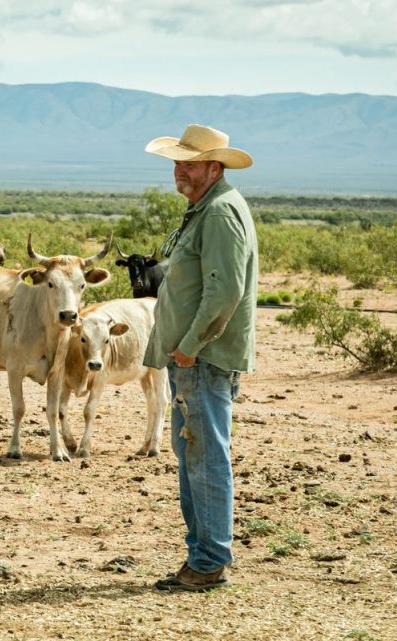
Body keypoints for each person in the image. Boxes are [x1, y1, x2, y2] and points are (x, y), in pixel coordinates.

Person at [142, 124, 258, 592]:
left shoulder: (219, 212)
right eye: (176, 162)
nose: (178, 171)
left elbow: (224, 291)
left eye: (188, 163)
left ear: (214, 167)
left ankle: (208, 562)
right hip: (193, 359)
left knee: (205, 457)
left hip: (202, 359)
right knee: (194, 453)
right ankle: (202, 556)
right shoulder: (208, 208)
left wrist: (189, 347)